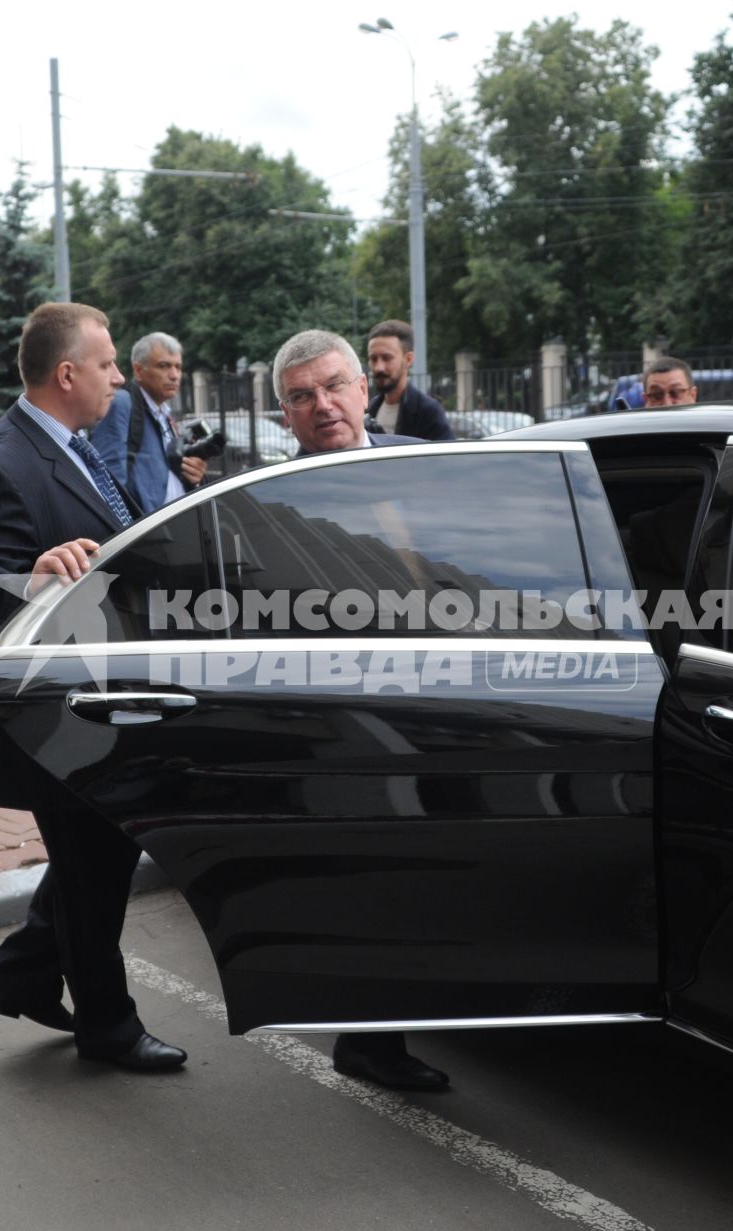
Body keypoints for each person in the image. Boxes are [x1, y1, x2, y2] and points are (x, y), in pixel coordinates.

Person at [0, 301, 186, 1073]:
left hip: (99, 694)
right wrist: (34, 573)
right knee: (94, 869)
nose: (118, 378)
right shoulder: (2, 463)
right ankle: (108, 1029)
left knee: (100, 853)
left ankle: (23, 971)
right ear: (67, 374)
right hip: (56, 715)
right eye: (109, 364)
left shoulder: (74, 446)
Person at [272, 328, 447, 1092]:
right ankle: (372, 1040)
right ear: (284, 414)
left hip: (454, 691)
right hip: (349, 717)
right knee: (383, 877)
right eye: (302, 396)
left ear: (364, 388)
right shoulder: (267, 503)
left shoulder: (426, 468)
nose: (324, 405)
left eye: (335, 386)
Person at [87, 332, 208, 517]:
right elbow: (109, 478)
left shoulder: (166, 416)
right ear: (138, 370)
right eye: (164, 366)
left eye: (178, 367)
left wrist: (195, 476)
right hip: (146, 532)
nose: (174, 375)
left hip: (174, 527)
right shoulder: (122, 403)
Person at [364, 319, 455, 439]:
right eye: (373, 359)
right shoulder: (370, 408)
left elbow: (445, 456)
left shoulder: (428, 412)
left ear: (408, 359)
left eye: (387, 358)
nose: (379, 367)